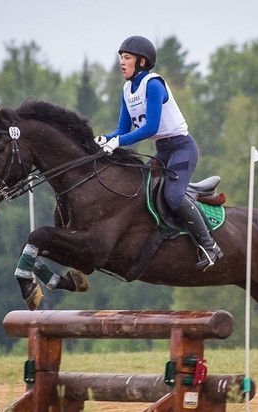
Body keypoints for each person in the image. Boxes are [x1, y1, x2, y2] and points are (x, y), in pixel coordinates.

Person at [95, 35, 223, 271]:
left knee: (173, 195)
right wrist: (107, 138)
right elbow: (123, 129)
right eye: (121, 58)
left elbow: (151, 127)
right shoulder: (126, 90)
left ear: (142, 61)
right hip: (163, 150)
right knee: (142, 192)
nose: (122, 62)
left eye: (127, 58)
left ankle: (210, 246)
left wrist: (119, 142)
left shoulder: (153, 85)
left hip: (182, 148)